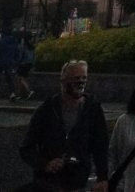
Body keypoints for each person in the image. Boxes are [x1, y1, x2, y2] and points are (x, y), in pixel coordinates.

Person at [19, 59, 109, 192]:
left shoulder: (93, 109)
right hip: (48, 183)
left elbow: (100, 146)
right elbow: (26, 148)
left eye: (84, 78)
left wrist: (102, 178)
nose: (81, 82)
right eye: (76, 78)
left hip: (78, 181)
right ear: (63, 81)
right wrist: (45, 164)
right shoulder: (47, 110)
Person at [0, 26, 19, 101]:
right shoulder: (14, 41)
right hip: (10, 61)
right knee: (9, 78)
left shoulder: (1, 41)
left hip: (0, 61)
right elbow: (16, 51)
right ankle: (13, 93)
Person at [16, 32, 36, 100]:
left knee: (21, 79)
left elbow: (20, 56)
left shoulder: (23, 47)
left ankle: (29, 91)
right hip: (29, 65)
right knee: (21, 79)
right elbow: (34, 57)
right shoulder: (32, 47)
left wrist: (17, 63)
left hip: (23, 64)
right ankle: (20, 95)